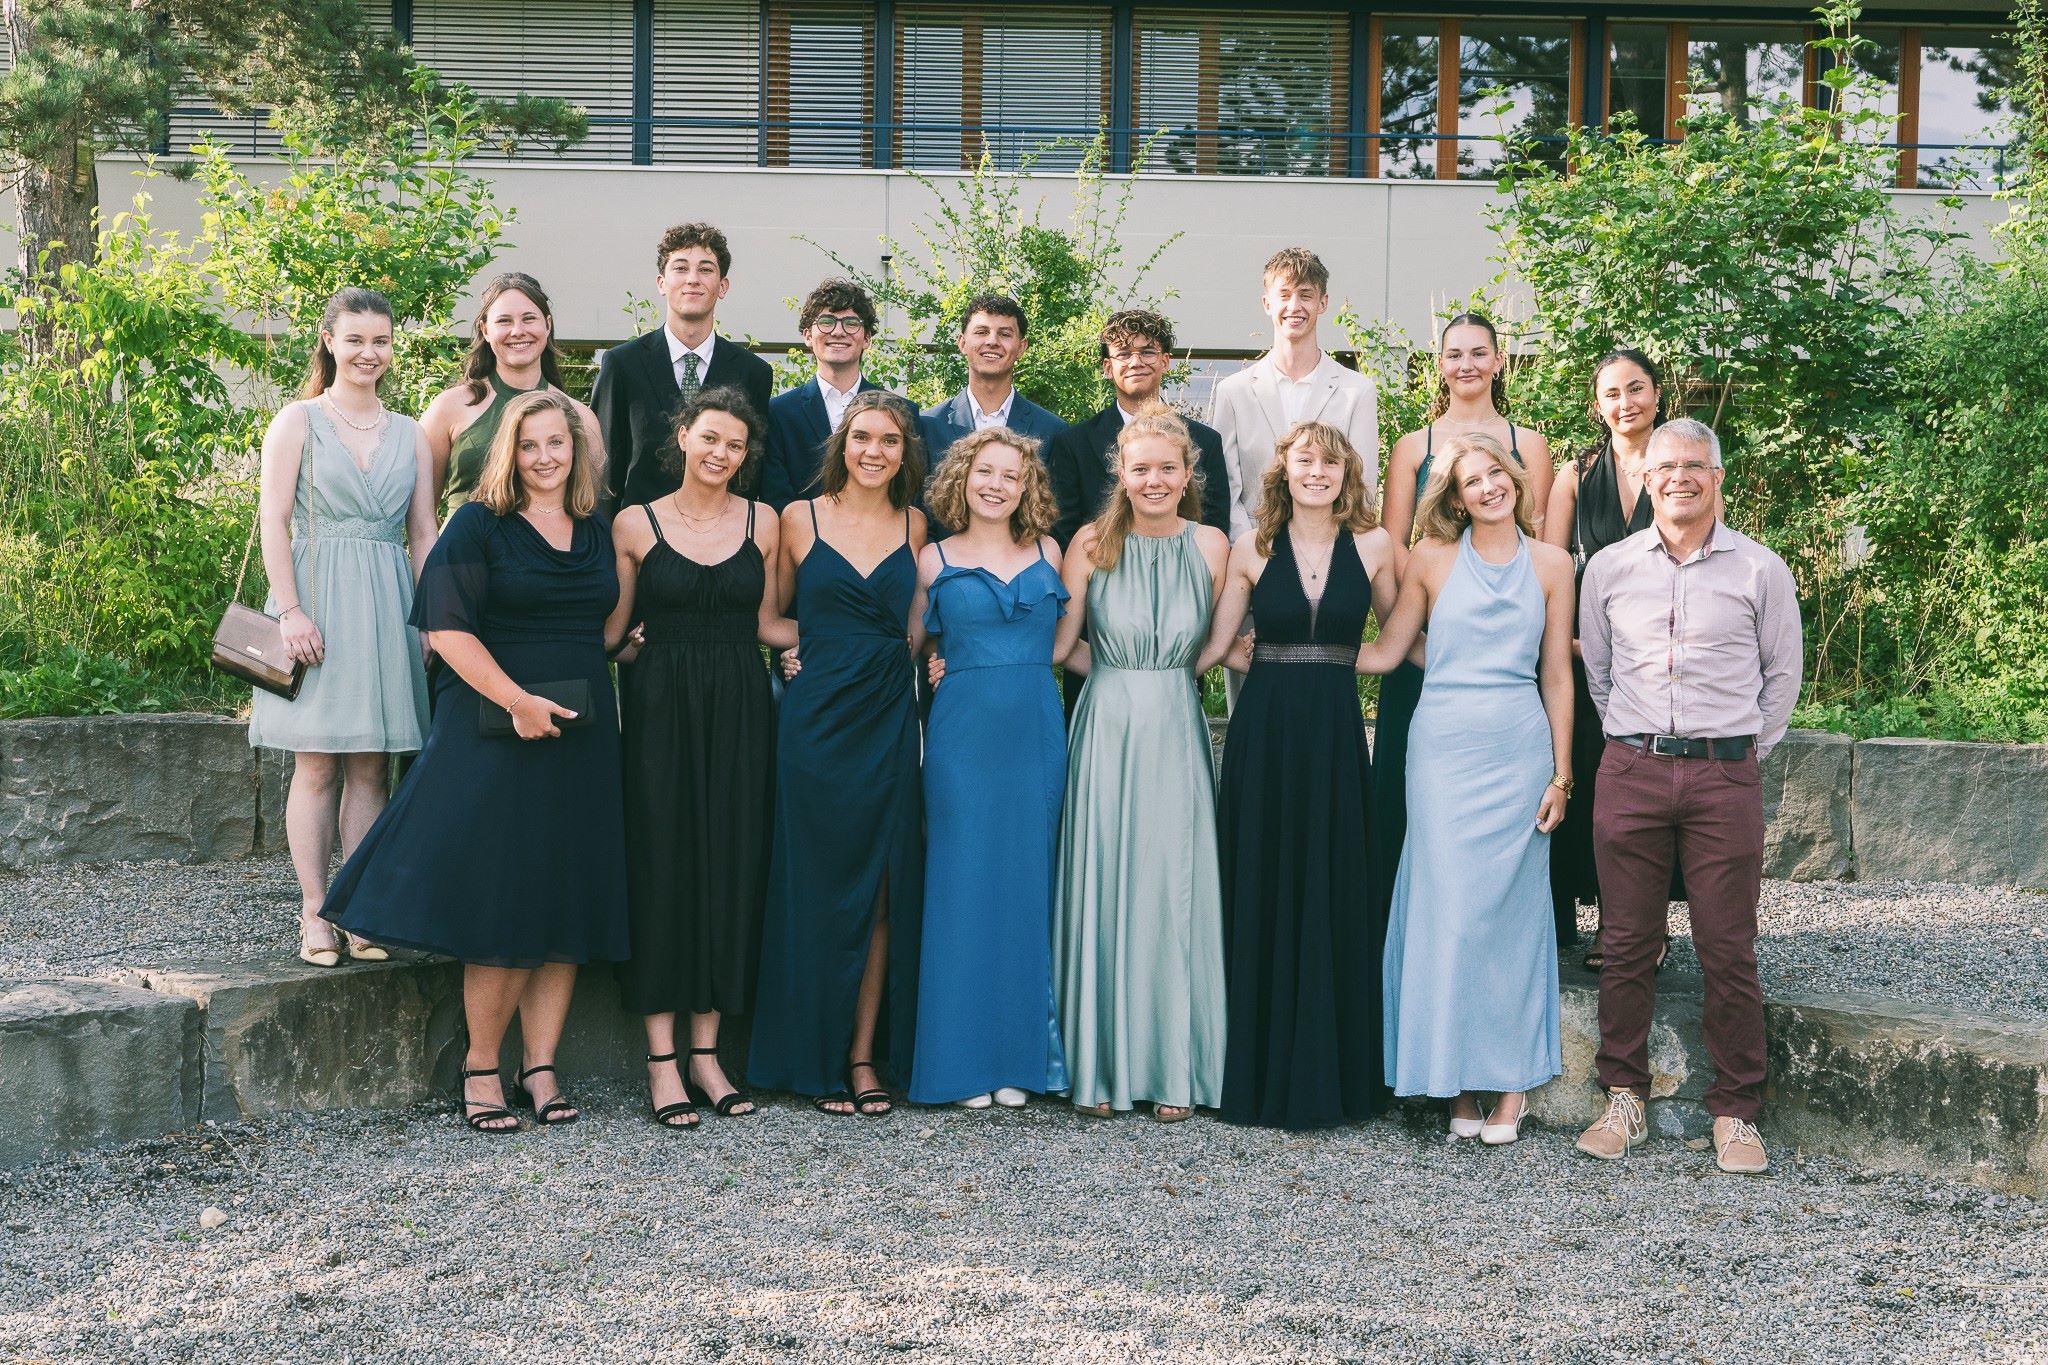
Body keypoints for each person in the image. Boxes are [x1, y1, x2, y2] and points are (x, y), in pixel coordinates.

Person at [323, 391, 630, 1135]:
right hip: (497, 727)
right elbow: (448, 629)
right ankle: (482, 1066)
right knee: (506, 897)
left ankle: (541, 1067)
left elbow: (601, 624)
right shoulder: (478, 524)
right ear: (508, 453)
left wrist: (627, 645)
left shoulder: (596, 527)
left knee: (564, 893)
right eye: (530, 445)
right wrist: (517, 701)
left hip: (581, 730)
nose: (545, 457)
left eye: (557, 443)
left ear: (577, 450)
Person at [1575, 418, 1802, 1176]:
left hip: (1722, 773)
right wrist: (1634, 740)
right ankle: (1623, 1096)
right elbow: (1599, 673)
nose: (1680, 477)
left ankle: (1735, 1110)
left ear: (1718, 477)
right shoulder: (1608, 569)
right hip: (1631, 768)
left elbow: (1782, 676)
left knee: (1727, 945)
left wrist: (1737, 755)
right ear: (1646, 480)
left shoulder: (1761, 569)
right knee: (1626, 943)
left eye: (1696, 466)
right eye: (1666, 466)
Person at [1352, 432, 1575, 1145]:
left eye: (1495, 473)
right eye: (1470, 481)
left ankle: (1510, 1084)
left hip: (1519, 748)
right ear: (1453, 497)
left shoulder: (1553, 563)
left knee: (1511, 915)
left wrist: (1561, 774)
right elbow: (1391, 649)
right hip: (1443, 750)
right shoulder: (1430, 558)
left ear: (1515, 477)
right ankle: (1454, 1079)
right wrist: (1291, 652)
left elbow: (1557, 674)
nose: (1488, 487)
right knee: (1449, 911)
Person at [607, 388, 794, 1129]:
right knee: (663, 866)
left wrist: (851, 643)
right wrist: (625, 648)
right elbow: (612, 633)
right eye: (710, 437)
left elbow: (770, 622)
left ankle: (707, 1057)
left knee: (729, 864)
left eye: (735, 445)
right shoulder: (635, 522)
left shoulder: (765, 521)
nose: (721, 453)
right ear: (683, 435)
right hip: (659, 711)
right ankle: (662, 1060)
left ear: (747, 457)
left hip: (742, 710)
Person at [1204, 421, 1397, 1130]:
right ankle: (1257, 1070)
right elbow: (1220, 644)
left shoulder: (1376, 545)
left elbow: (1398, 639)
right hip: (1267, 735)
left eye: (1330, 462)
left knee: (1331, 878)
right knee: (1267, 877)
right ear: (1284, 470)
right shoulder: (1252, 547)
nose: (1318, 471)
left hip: (1336, 736)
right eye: (1305, 460)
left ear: (1348, 473)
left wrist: (1344, 661)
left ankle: (1329, 1069)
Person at [748, 391, 929, 1116]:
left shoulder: (916, 523)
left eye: (890, 440)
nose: (874, 451)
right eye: (863, 438)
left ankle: (860, 1057)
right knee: (813, 879)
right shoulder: (798, 517)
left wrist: (932, 659)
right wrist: (816, 647)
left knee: (881, 882)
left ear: (905, 453)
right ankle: (808, 1054)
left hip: (887, 716)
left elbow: (915, 630)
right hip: (816, 720)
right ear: (842, 444)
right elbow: (768, 619)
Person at [1053, 407, 1230, 1121]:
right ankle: (1098, 1066)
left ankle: (1172, 1067)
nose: (1154, 480)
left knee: (1172, 884)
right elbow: (1061, 643)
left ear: (1188, 476)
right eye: (1140, 469)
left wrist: (1170, 676)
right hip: (1108, 724)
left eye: (1167, 468)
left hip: (1176, 725)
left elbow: (1220, 642)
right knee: (1105, 877)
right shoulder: (1090, 542)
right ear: (1120, 475)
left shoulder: (1213, 545)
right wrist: (1117, 675)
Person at [248, 287, 433, 970]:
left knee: (371, 764)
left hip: (387, 602)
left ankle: (359, 907)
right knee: (318, 760)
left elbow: (422, 531)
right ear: (329, 340)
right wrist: (290, 610)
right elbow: (273, 520)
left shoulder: (411, 433)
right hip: (317, 599)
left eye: (381, 340)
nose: (369, 352)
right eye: (355, 339)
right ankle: (314, 909)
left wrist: (430, 619)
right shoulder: (296, 420)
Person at [1372, 313, 1556, 932]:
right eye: (1454, 354)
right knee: (1418, 802)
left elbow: (1538, 540)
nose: (1467, 364)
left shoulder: (1529, 443)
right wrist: (1417, 631)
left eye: (1480, 353)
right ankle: (1414, 928)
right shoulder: (1412, 446)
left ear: (1499, 361)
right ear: (1440, 365)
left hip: (1505, 649)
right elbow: (1395, 545)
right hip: (1431, 638)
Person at [908, 429, 1069, 1110]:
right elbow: (909, 644)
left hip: (1034, 730)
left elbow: (1064, 642)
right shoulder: (933, 556)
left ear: (1026, 486)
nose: (996, 485)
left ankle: (1019, 1061)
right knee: (961, 885)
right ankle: (962, 1062)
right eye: (985, 472)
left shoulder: (1050, 551)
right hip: (962, 736)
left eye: (1010, 475)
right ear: (962, 478)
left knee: (1027, 888)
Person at [1543, 347, 1671, 970]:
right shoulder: (1575, 474)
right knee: (1594, 787)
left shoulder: (1681, 467)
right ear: (1598, 405)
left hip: (1656, 661)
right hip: (1583, 656)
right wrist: (1570, 645)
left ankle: (1648, 925)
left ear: (1656, 394)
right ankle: (1603, 924)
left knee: (1653, 793)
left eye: (1636, 388)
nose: (1626, 403)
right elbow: (1549, 567)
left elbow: (1700, 561)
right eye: (1613, 393)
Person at [594, 222, 774, 512]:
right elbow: (603, 472)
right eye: (680, 268)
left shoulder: (753, 373)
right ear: (661, 283)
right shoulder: (622, 364)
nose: (693, 279)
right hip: (639, 531)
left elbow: (751, 475)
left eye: (705, 269)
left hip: (723, 529)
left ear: (723, 286)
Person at [1206, 247, 1379, 542]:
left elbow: (1362, 487)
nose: (1294, 306)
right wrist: (1250, 548)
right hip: (1253, 547)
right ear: (1267, 303)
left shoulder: (1357, 391)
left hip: (1332, 549)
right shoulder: (1233, 392)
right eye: (1284, 295)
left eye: (1305, 295)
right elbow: (1228, 489)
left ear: (1323, 303)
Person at [419, 271, 606, 511]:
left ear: (547, 325)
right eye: (504, 321)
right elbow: (421, 515)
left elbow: (587, 508)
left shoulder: (581, 418)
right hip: (463, 536)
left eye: (529, 319)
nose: (518, 331)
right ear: (485, 330)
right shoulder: (449, 408)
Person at [1046, 308, 1230, 546]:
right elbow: (1064, 532)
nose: (1136, 362)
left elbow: (1215, 526)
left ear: (1165, 361)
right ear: (1108, 367)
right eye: (1123, 354)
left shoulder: (1206, 441)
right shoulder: (1074, 444)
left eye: (1147, 352)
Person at [760, 278, 911, 510]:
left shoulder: (903, 412)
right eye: (826, 322)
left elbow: (909, 490)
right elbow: (775, 499)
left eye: (851, 323)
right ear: (808, 336)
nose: (838, 332)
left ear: (867, 338)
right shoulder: (778, 413)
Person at [918, 294, 1068, 470]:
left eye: (1004, 334)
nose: (992, 341)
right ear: (962, 343)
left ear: (1021, 347)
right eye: (981, 332)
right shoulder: (929, 425)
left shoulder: (1051, 430)